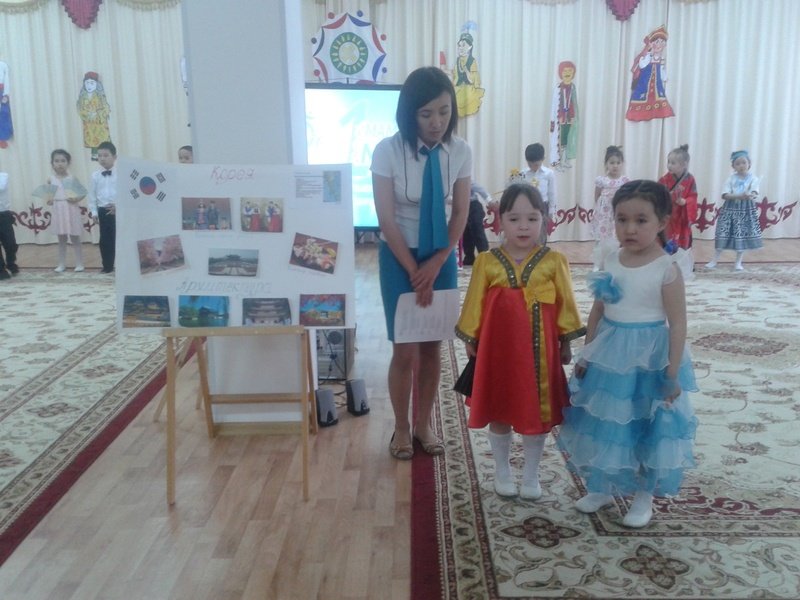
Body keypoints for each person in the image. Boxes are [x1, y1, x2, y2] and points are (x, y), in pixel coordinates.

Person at [558, 179, 697, 528]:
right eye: (622, 219)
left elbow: (678, 324)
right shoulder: (610, 259)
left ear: (662, 222)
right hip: (610, 354)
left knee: (647, 425)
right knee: (608, 421)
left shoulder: (666, 269)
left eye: (640, 220)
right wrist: (587, 354)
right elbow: (598, 310)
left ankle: (643, 496)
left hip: (649, 359)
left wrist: (671, 372)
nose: (630, 229)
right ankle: (602, 486)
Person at [455, 183, 584, 498]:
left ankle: (530, 475)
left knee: (535, 412)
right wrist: (471, 337)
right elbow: (474, 303)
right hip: (497, 353)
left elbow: (566, 304)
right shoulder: (487, 262)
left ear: (544, 220)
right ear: (499, 221)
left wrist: (566, 342)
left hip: (539, 358)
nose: (523, 226)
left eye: (532, 218)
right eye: (514, 219)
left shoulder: (554, 261)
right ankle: (502, 471)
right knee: (499, 407)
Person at [371, 66, 471, 460]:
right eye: (426, 113)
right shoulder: (387, 151)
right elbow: (386, 218)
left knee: (432, 347)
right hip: (398, 257)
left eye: (444, 112)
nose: (436, 122)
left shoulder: (460, 151)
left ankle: (424, 424)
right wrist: (414, 271)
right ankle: (401, 426)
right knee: (405, 349)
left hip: (440, 254)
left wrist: (438, 261)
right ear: (410, 113)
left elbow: (460, 212)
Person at [705, 150, 763, 271]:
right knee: (723, 232)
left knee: (741, 234)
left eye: (744, 162)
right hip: (730, 209)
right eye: (738, 163)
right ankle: (714, 260)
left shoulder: (753, 178)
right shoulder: (730, 179)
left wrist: (750, 195)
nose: (741, 165)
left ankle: (738, 262)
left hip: (746, 210)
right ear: (733, 166)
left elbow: (755, 192)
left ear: (749, 164)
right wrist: (738, 196)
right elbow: (725, 195)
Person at [48, 149, 86, 272]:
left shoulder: (72, 178)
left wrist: (76, 199)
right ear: (52, 163)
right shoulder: (50, 179)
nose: (60, 164)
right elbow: (49, 195)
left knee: (75, 237)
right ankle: (61, 264)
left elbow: (83, 192)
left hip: (71, 209)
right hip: (58, 210)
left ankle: (79, 263)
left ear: (68, 163)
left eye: (63, 161)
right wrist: (49, 200)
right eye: (57, 161)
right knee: (61, 239)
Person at [625, 26, 674, 121]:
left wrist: (664, 77)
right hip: (644, 84)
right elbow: (642, 65)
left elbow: (661, 70)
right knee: (641, 98)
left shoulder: (661, 58)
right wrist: (647, 55)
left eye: (662, 42)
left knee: (659, 99)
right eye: (657, 42)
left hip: (657, 86)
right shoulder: (647, 56)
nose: (659, 45)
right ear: (651, 44)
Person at [592, 145, 629, 268]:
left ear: (622, 164)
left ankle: (617, 262)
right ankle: (600, 263)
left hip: (618, 214)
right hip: (604, 215)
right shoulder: (602, 180)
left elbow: (628, 197)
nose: (615, 166)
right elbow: (597, 196)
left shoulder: (624, 181)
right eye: (612, 163)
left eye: (618, 163)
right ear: (606, 164)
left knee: (616, 237)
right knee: (602, 238)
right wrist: (599, 210)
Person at [658, 144, 698, 252]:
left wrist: (685, 201)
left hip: (682, 215)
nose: (669, 165)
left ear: (684, 164)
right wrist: (667, 196)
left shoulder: (690, 179)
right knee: (666, 239)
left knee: (681, 242)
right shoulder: (664, 179)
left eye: (673, 163)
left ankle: (681, 258)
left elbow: (693, 196)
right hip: (669, 215)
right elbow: (657, 194)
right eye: (668, 162)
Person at [87, 141, 118, 273]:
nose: (102, 158)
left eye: (106, 155)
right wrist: (94, 212)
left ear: (114, 157)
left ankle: (124, 266)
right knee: (105, 240)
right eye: (99, 156)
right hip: (103, 211)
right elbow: (92, 196)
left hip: (118, 211)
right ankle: (107, 266)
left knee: (120, 239)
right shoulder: (95, 176)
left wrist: (119, 207)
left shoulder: (121, 174)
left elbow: (126, 193)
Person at [549, 61, 578, 169]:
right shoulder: (558, 88)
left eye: (570, 71)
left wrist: (572, 116)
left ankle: (565, 160)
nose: (567, 73)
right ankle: (558, 162)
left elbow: (573, 104)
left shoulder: (572, 87)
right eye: (565, 71)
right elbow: (555, 105)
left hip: (568, 119)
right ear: (561, 73)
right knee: (559, 142)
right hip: (560, 119)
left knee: (566, 141)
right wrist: (556, 118)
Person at [76, 72, 111, 159]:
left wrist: (98, 114)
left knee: (101, 140)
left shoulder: (100, 96)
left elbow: (106, 108)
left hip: (99, 124)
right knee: (92, 141)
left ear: (97, 84)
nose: (89, 86)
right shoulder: (82, 97)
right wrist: (87, 114)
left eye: (92, 83)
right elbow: (80, 108)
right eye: (87, 83)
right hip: (89, 124)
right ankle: (94, 156)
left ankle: (104, 156)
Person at [520, 143, 557, 223]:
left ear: (543, 159)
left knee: (542, 228)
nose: (533, 167)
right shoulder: (523, 173)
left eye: (536, 165)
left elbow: (551, 193)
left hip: (543, 205)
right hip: (526, 205)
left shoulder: (549, 173)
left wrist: (551, 210)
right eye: (530, 165)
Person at [461, 182, 490, 266]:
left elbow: (480, 189)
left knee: (477, 230)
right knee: (465, 233)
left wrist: (489, 200)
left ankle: (484, 256)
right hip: (461, 207)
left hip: (473, 205)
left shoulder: (464, 179)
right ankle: (469, 258)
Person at [0, 168, 18, 278]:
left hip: (4, 215)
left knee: (10, 243)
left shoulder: (3, 176)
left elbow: (1, 187)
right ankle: (1, 269)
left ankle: (11, 263)